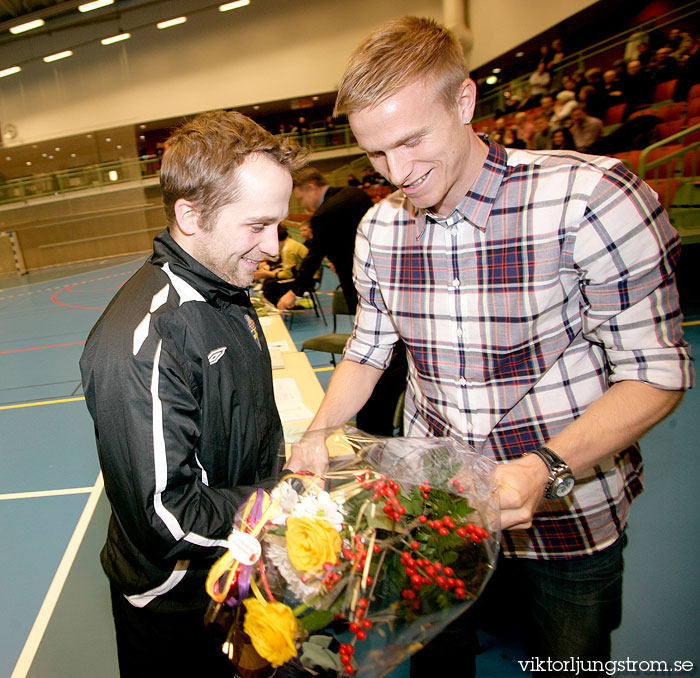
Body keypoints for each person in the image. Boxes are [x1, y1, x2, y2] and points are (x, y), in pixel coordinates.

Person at [286, 16, 693, 677]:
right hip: (434, 511)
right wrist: (319, 431)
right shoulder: (382, 231)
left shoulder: (590, 197)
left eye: (412, 141)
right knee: (435, 662)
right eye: (377, 155)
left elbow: (657, 375)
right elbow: (368, 349)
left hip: (567, 510)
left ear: (465, 101)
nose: (398, 172)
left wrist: (542, 469)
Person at [79, 110, 307, 677]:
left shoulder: (228, 292)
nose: (274, 248)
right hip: (176, 601)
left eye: (277, 225)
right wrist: (281, 503)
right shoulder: (145, 338)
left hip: (237, 565)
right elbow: (166, 518)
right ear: (190, 215)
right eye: (256, 227)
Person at [276, 167, 373, 315]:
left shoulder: (322, 215)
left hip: (358, 282)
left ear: (311, 188)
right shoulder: (355, 194)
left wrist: (294, 292)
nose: (302, 204)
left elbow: (314, 257)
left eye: (301, 198)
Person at [255, 224, 309, 306]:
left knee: (270, 285)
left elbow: (288, 274)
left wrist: (267, 274)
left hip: (305, 280)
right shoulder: (288, 243)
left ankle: (276, 309)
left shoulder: (288, 249)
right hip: (301, 274)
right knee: (268, 280)